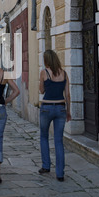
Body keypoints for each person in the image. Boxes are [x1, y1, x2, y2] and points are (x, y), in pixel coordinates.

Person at [39, 49, 71, 181]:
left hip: (46, 107)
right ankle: (60, 173)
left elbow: (41, 90)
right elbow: (67, 94)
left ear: (46, 60)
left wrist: (46, 84)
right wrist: (68, 111)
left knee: (44, 137)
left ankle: (46, 165)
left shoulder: (44, 72)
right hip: (61, 108)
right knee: (58, 140)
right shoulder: (64, 74)